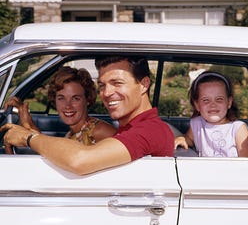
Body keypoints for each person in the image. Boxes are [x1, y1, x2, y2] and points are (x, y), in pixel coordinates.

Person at [1, 55, 174, 175]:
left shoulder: (149, 131)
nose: (107, 93)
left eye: (117, 83)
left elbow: (79, 160)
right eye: (103, 85)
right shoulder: (131, 129)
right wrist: (28, 125)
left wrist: (28, 138)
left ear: (144, 84)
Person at [5, 66, 116, 146]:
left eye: (75, 98)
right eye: (61, 98)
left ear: (87, 100)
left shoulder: (100, 131)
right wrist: (27, 120)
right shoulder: (71, 134)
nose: (68, 106)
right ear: (55, 99)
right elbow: (48, 148)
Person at [175, 71, 248, 157]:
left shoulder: (238, 129)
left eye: (219, 99)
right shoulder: (197, 124)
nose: (213, 104)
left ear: (229, 102)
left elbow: (247, 162)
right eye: (206, 100)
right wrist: (182, 138)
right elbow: (189, 139)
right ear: (197, 105)